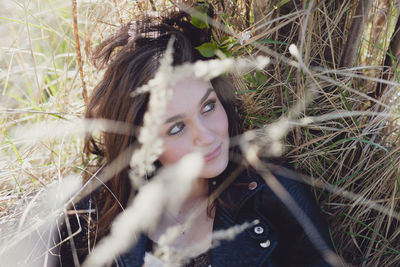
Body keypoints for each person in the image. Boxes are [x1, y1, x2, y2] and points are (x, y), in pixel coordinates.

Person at [58, 8, 334, 267]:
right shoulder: (91, 215)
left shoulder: (274, 190)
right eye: (177, 128)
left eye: (208, 107)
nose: (207, 136)